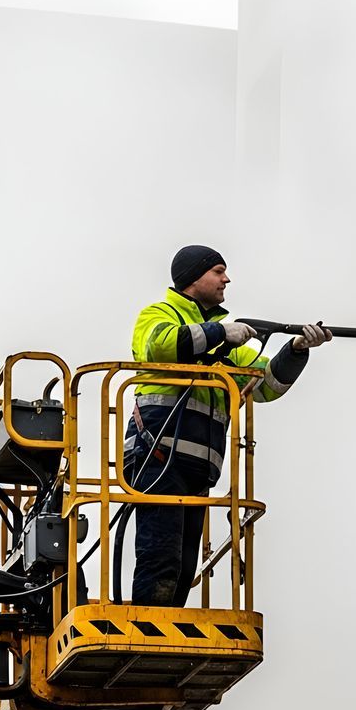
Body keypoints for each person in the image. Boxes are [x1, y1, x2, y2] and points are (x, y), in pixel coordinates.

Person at [123, 245, 331, 606]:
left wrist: (296, 349)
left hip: (196, 466)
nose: (226, 279)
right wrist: (219, 332)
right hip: (157, 452)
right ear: (193, 277)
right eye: (218, 271)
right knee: (162, 556)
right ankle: (150, 624)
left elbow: (266, 384)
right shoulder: (159, 314)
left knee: (185, 564)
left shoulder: (230, 341)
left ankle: (164, 624)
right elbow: (160, 345)